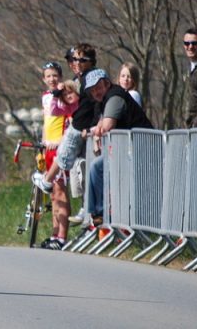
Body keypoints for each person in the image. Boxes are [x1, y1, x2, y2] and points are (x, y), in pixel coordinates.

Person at [82, 69, 153, 223]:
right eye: (92, 90)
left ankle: (101, 214)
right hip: (129, 151)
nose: (96, 92)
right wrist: (98, 128)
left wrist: (98, 130)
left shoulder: (115, 97)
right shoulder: (105, 101)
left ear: (107, 83)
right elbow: (102, 124)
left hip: (143, 151)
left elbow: (106, 126)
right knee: (97, 167)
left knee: (97, 167)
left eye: (98, 87)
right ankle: (99, 216)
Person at [33, 43, 99, 196]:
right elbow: (55, 112)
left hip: (82, 129)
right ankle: (86, 208)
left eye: (78, 60)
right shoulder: (51, 95)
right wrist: (56, 96)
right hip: (72, 133)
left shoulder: (90, 78)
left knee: (69, 158)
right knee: (79, 175)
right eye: (72, 60)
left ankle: (47, 181)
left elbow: (93, 105)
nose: (74, 63)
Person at [39, 63, 79, 249]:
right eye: (48, 76)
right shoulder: (46, 97)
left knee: (61, 191)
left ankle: (62, 236)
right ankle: (54, 234)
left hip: (60, 148)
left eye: (55, 75)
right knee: (53, 194)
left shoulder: (64, 96)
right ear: (44, 79)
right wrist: (43, 143)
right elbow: (46, 122)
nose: (52, 79)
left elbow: (70, 121)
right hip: (48, 148)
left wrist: (63, 142)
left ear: (60, 77)